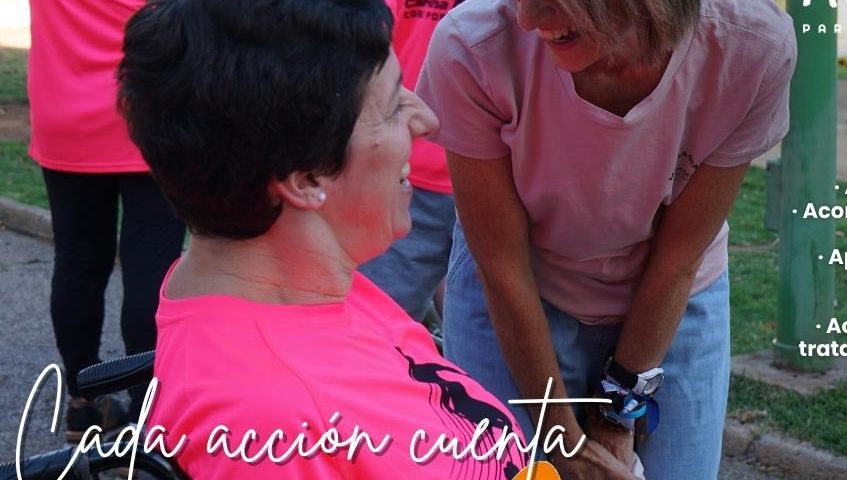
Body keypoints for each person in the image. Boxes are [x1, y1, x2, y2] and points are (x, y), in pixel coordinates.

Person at [117, 0, 525, 477]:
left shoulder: (302, 283)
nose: (426, 121)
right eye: (392, 107)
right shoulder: (272, 431)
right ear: (307, 177)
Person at [417, 0, 796, 478]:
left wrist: (618, 410)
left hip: (672, 298)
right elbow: (502, 267)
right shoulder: (471, 46)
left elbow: (679, 258)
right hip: (516, 293)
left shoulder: (752, 47)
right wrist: (562, 440)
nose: (528, 19)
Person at [26, 0, 186, 440]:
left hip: (63, 108)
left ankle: (84, 400)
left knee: (77, 259)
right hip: (149, 107)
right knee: (152, 263)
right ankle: (146, 413)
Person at [359, 0, 464, 340]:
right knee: (380, 325)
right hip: (411, 175)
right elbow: (362, 51)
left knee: (487, 332)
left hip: (501, 175)